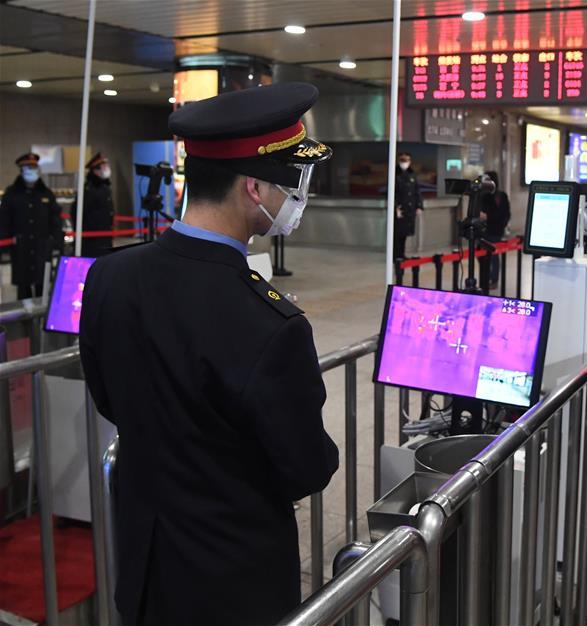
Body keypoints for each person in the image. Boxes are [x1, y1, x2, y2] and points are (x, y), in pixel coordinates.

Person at [79, 83, 339, 626]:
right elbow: (306, 467)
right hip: (232, 584)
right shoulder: (270, 325)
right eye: (290, 184)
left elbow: (109, 398)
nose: (296, 197)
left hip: (145, 567)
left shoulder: (110, 276)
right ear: (253, 188)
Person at [0, 153, 63, 299]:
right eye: (29, 167)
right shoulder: (12, 193)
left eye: (35, 167)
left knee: (43, 284)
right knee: (24, 287)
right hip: (21, 247)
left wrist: (57, 242)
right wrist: (5, 245)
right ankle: (25, 319)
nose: (32, 170)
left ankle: (41, 318)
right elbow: (4, 220)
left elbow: (55, 219)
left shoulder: (46, 193)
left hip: (42, 247)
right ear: (22, 170)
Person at [76, 152, 115, 257]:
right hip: (92, 240)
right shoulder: (89, 189)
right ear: (95, 170)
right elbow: (78, 211)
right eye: (103, 167)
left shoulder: (104, 187)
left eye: (106, 166)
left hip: (105, 236)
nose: (107, 168)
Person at [479, 170, 511, 290]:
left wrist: (489, 217)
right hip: (483, 231)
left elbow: (505, 214)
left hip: (495, 231)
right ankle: (484, 279)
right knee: (482, 256)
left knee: (493, 256)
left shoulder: (501, 196)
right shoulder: (482, 196)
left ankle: (494, 279)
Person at [393, 151, 423, 260]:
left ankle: (402, 254)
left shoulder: (412, 174)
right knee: (397, 233)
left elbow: (417, 191)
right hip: (399, 209)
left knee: (405, 232)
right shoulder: (394, 173)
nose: (404, 162)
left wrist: (419, 206)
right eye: (402, 160)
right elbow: (392, 193)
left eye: (406, 160)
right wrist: (395, 207)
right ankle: (396, 255)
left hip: (410, 208)